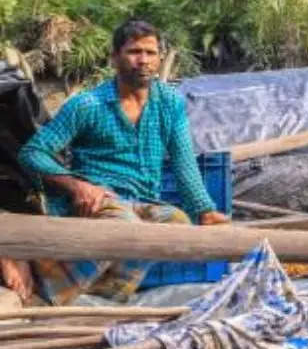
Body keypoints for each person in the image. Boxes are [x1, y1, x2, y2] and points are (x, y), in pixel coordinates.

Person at [18, 19, 229, 305]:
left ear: (160, 59)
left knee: (177, 222)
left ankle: (103, 297)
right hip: (98, 199)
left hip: (144, 199)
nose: (143, 60)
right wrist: (77, 187)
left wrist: (204, 211)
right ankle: (47, 293)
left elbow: (183, 162)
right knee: (126, 226)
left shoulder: (169, 103)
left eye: (150, 53)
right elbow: (33, 153)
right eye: (133, 52)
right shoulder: (87, 105)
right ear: (115, 58)